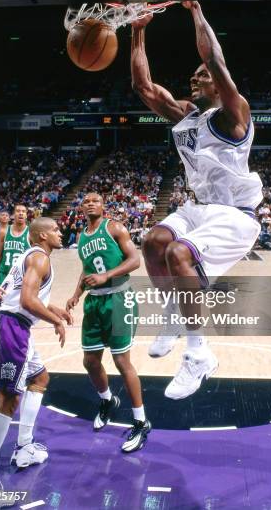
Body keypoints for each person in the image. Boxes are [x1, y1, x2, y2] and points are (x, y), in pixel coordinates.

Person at [131, 1, 262, 400]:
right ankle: (174, 312)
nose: (196, 76)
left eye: (203, 76)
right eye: (195, 75)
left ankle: (197, 353)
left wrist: (196, 11)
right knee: (153, 242)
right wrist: (138, 30)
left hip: (236, 215)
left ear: (220, 86)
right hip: (199, 207)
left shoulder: (233, 115)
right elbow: (144, 88)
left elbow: (213, 57)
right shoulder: (187, 116)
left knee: (179, 256)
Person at [0, 217, 72, 501]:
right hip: (10, 325)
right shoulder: (40, 258)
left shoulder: (33, 256)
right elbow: (26, 300)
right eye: (56, 230)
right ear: (42, 236)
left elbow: (25, 295)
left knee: (39, 378)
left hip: (15, 324)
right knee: (8, 398)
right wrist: (55, 321)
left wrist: (54, 308)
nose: (61, 233)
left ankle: (24, 446)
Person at [66, 193, 150, 452]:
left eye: (95, 200)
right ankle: (108, 400)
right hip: (94, 302)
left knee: (121, 361)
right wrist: (76, 294)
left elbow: (135, 261)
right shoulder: (82, 236)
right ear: (82, 208)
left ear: (103, 207)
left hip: (119, 298)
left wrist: (107, 275)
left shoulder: (114, 227)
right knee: (90, 361)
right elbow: (86, 268)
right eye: (86, 201)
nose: (90, 203)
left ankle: (141, 421)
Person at [0, 204, 31, 320]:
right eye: (18, 211)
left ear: (26, 215)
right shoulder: (4, 232)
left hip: (20, 278)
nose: (21, 213)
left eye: (23, 211)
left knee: (17, 313)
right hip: (3, 276)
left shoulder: (30, 234)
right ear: (13, 215)